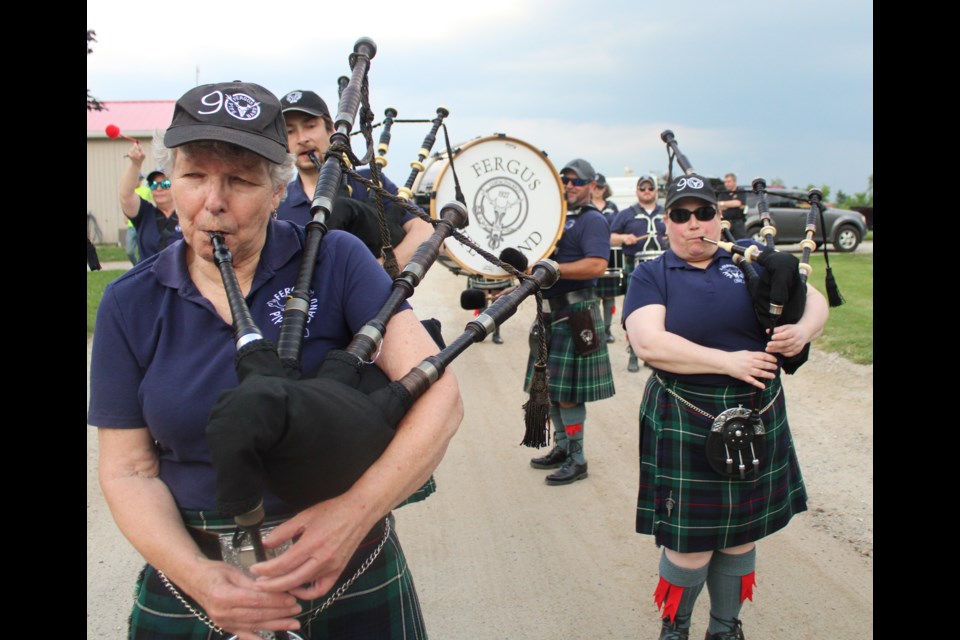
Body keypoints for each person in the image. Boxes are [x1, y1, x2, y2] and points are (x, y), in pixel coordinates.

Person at [88, 80, 463, 639]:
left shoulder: (335, 259)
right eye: (193, 176)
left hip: (347, 556)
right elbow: (128, 469)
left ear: (276, 190)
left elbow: (440, 397)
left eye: (239, 180)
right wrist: (200, 577)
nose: (212, 201)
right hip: (199, 579)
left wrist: (356, 512)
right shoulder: (130, 302)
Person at [622, 173, 828, 640]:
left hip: (755, 413)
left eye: (704, 213)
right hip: (686, 414)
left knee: (740, 538)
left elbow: (813, 298)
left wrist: (804, 331)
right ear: (667, 222)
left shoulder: (752, 262)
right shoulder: (652, 273)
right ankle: (675, 629)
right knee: (688, 546)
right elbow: (649, 342)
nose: (693, 224)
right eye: (681, 215)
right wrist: (728, 362)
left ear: (720, 217)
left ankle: (725, 628)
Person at [525, 158, 615, 485]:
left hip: (577, 314)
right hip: (550, 312)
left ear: (592, 186)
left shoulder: (592, 221)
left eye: (577, 181)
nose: (570, 186)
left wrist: (554, 270)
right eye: (565, 180)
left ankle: (577, 458)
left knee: (569, 395)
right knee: (549, 389)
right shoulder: (557, 220)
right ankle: (562, 449)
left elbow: (596, 266)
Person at [277, 89, 434, 267]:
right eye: (290, 131)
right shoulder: (278, 202)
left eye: (310, 126)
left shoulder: (370, 182)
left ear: (331, 131)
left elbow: (426, 231)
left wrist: (380, 270)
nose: (302, 139)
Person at [609, 174, 666, 372]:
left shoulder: (667, 212)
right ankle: (633, 353)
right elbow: (609, 237)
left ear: (656, 191)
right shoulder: (626, 214)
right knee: (636, 312)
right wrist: (624, 237)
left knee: (666, 312)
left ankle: (656, 355)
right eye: (643, 188)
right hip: (637, 268)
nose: (647, 191)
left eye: (650, 188)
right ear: (637, 191)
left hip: (664, 266)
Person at [119, 153, 184, 260]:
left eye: (165, 184)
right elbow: (126, 195)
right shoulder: (145, 213)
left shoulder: (187, 214)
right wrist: (135, 164)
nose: (158, 188)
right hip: (149, 276)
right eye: (153, 184)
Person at [591, 173, 621, 344]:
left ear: (605, 188)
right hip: (591, 255)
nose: (597, 190)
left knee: (609, 297)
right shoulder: (586, 205)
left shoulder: (612, 207)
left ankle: (607, 330)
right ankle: (595, 330)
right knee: (592, 296)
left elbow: (616, 230)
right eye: (595, 187)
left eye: (601, 187)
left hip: (610, 257)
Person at [718, 173, 747, 241]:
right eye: (725, 182)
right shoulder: (723, 193)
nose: (726, 184)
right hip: (726, 223)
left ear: (734, 181)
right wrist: (730, 204)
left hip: (738, 223)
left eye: (729, 181)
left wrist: (724, 204)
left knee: (740, 243)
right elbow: (719, 206)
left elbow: (738, 203)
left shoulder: (740, 191)